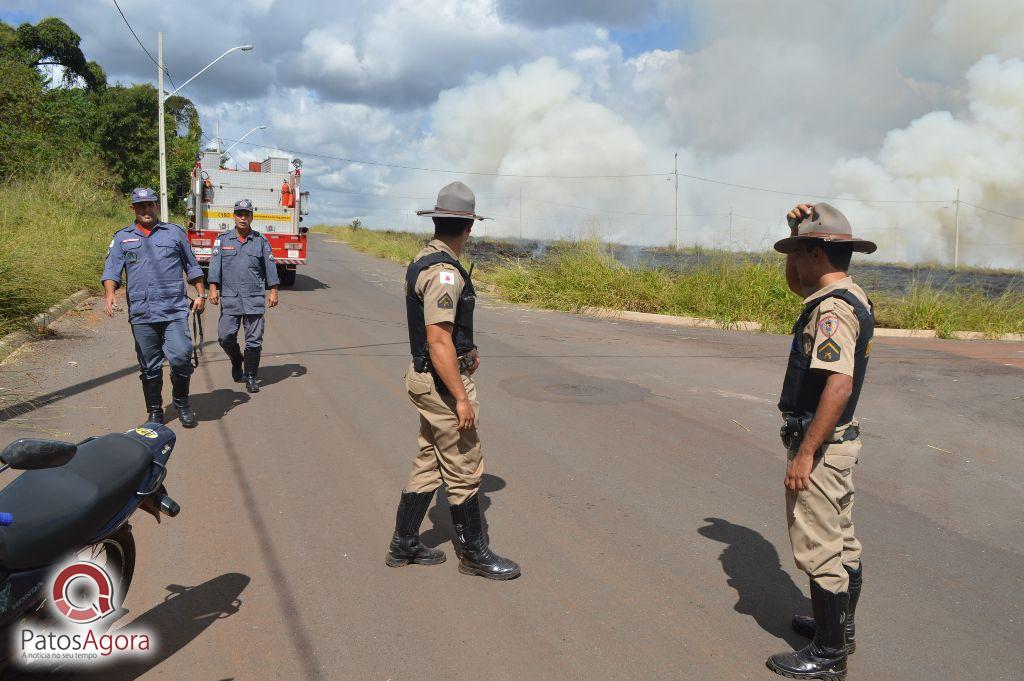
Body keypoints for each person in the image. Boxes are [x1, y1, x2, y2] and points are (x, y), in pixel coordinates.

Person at [385, 181, 520, 580]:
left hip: (428, 376)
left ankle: (404, 543)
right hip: (442, 383)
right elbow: (438, 338)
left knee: (430, 459)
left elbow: (449, 334)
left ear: (438, 220)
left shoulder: (425, 257)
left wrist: (467, 349)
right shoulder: (445, 272)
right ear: (468, 227)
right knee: (463, 464)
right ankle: (475, 555)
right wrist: (460, 397)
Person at [766, 203, 876, 680]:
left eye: (798, 252)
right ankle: (839, 628)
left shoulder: (832, 311)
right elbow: (799, 283)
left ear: (816, 252)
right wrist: (794, 233)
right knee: (841, 540)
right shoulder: (847, 295)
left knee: (819, 546)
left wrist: (806, 454)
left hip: (823, 447)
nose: (795, 262)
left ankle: (830, 653)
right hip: (838, 444)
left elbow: (838, 384)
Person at [102, 187, 206, 427]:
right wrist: (109, 294)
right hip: (142, 312)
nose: (146, 210)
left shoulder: (174, 233)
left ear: (156, 206)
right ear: (133, 209)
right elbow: (112, 269)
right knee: (149, 365)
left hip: (174, 309)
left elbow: (192, 266)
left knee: (181, 357)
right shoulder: (122, 237)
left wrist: (200, 292)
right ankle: (156, 411)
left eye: (150, 205)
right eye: (141, 206)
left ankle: (181, 403)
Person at [207, 199, 280, 393]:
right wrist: (213, 288)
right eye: (239, 214)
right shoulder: (222, 240)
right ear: (234, 216)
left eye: (246, 214)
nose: (242, 218)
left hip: (254, 298)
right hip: (230, 298)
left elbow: (270, 267)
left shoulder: (261, 241)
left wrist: (273, 290)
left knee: (254, 339)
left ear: (252, 217)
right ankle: (236, 359)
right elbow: (215, 267)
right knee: (225, 337)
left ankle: (250, 376)